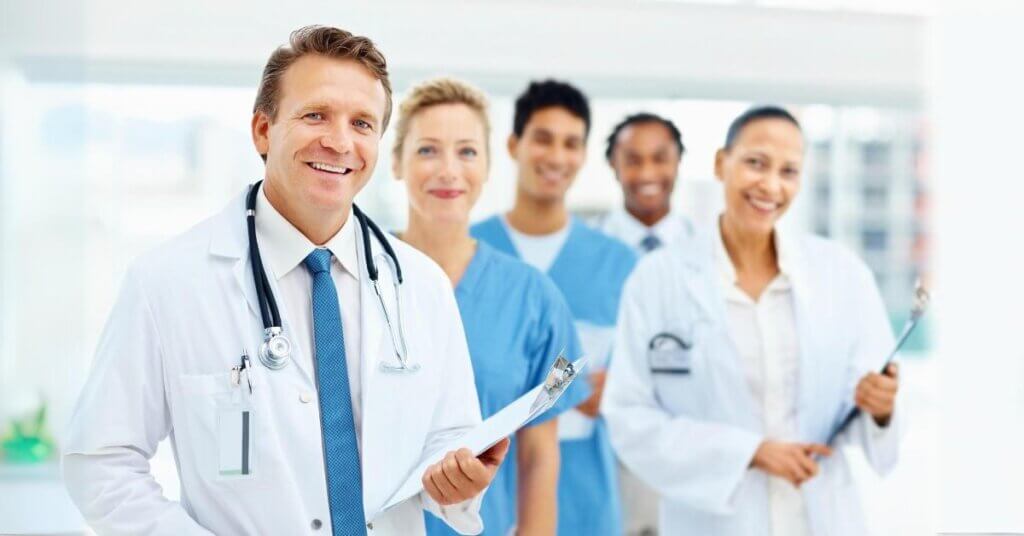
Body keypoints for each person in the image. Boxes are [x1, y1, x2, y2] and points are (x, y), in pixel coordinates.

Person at [62, 26, 508, 536]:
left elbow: (445, 440)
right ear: (262, 130)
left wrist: (456, 480)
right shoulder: (167, 282)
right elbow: (99, 460)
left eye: (362, 123)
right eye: (315, 114)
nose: (339, 141)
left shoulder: (420, 285)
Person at [603, 106, 903, 536]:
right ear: (721, 164)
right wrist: (749, 453)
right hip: (712, 520)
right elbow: (629, 415)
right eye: (756, 163)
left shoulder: (842, 274)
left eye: (789, 171)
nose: (771, 184)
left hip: (819, 514)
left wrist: (882, 407)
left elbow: (873, 408)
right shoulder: (658, 278)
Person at [390, 77, 590, 536]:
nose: (448, 170)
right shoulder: (355, 278)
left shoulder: (535, 299)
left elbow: (540, 454)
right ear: (396, 163)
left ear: (487, 166)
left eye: (466, 151)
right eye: (427, 150)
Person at [471, 80, 636, 536]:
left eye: (571, 143)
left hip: (584, 498)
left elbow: (651, 386)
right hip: (482, 492)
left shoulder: (620, 265)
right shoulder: (466, 251)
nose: (557, 157)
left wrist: (619, 391)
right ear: (513, 145)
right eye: (543, 138)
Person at [602, 112, 695, 254]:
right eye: (633, 161)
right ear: (613, 166)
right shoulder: (587, 245)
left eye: (660, 159)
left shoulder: (704, 244)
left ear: (678, 162)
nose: (647, 175)